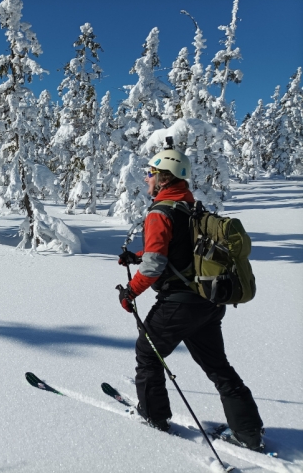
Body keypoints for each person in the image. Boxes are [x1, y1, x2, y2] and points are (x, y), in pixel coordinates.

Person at [116, 148, 264, 452]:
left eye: (150, 173)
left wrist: (131, 291)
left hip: (179, 304)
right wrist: (137, 256)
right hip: (208, 302)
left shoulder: (160, 212)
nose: (147, 178)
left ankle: (153, 417)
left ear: (162, 176)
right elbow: (181, 250)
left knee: (148, 353)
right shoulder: (189, 205)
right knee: (218, 366)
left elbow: (156, 264)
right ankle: (248, 432)